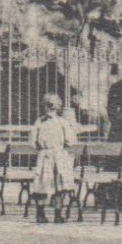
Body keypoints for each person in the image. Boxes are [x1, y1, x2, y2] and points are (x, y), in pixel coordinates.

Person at [30, 92, 77, 223]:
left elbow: (33, 142)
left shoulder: (39, 122)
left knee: (42, 183)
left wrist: (42, 148)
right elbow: (71, 141)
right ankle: (58, 214)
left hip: (44, 156)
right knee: (59, 185)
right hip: (59, 155)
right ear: (58, 107)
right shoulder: (63, 122)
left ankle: (40, 213)